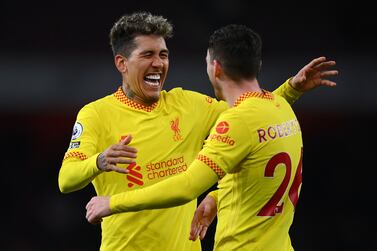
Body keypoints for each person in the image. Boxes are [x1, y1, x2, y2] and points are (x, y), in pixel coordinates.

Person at [59, 11, 337, 251]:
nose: (159, 63)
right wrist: (99, 161)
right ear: (122, 63)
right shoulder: (95, 114)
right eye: (148, 55)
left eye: (163, 55)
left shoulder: (189, 104)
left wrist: (290, 90)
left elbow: (252, 121)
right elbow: (66, 179)